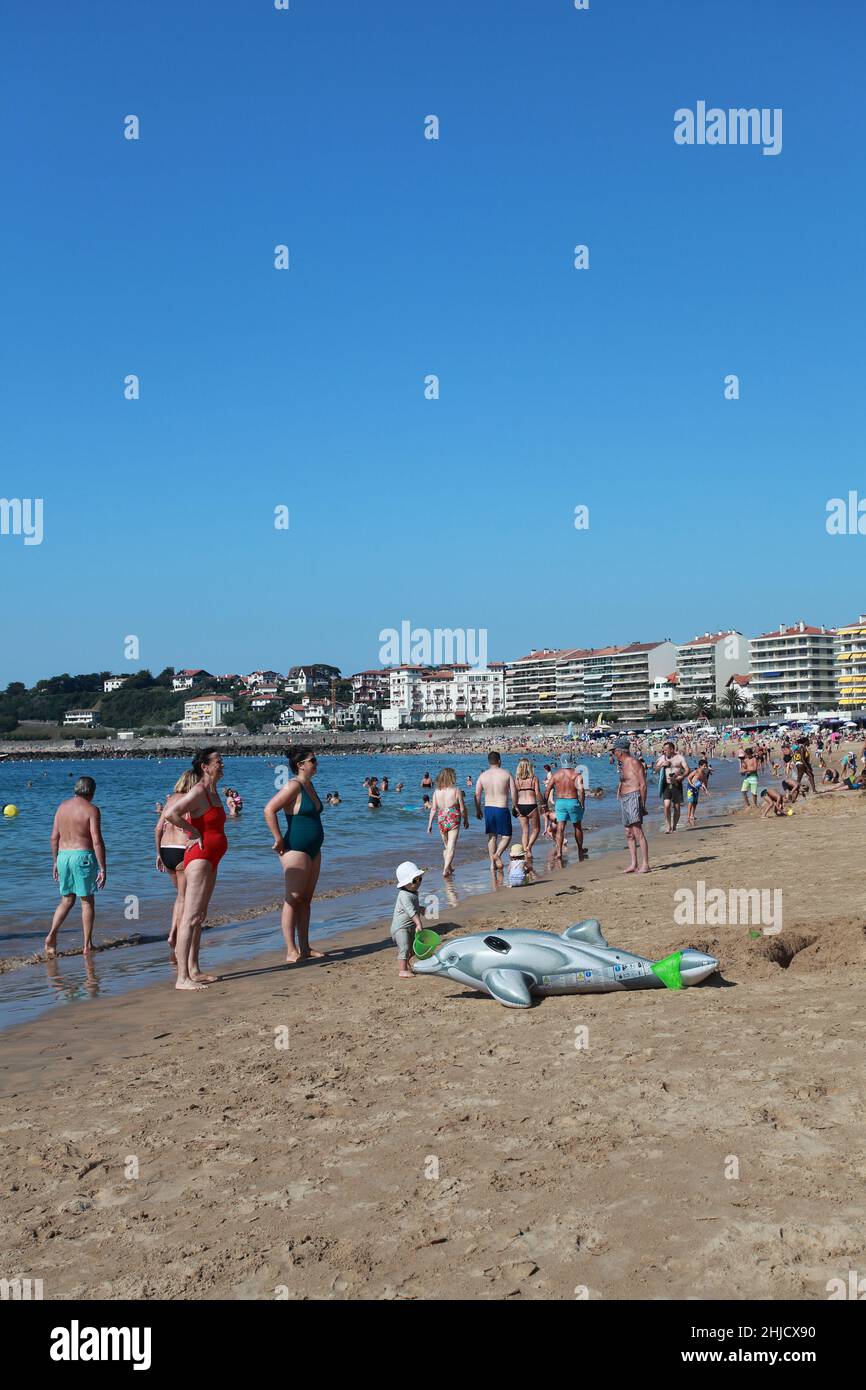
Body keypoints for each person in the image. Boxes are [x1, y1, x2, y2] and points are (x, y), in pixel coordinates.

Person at [161, 749, 228, 989]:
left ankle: (194, 969)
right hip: (199, 858)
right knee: (189, 917)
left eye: (221, 761)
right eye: (218, 762)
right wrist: (194, 832)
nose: (222, 765)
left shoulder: (214, 791)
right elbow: (171, 813)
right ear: (205, 766)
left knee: (199, 916)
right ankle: (182, 978)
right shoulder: (199, 791)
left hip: (213, 857)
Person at [264, 745, 326, 966]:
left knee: (306, 899)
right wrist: (278, 838)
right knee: (293, 899)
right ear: (300, 765)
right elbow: (269, 809)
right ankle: (291, 950)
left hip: (314, 849)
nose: (316, 763)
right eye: (313, 760)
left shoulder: (309, 785)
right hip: (295, 848)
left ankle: (306, 947)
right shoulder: (293, 786)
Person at [45, 776, 106, 958]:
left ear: (75, 790)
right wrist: (103, 867)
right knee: (86, 902)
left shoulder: (61, 807)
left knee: (66, 900)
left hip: (63, 856)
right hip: (82, 857)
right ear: (92, 793)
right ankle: (87, 945)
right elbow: (97, 841)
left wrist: (55, 861)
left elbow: (54, 837)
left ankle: (52, 935)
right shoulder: (92, 810)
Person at [154, 770, 197, 965]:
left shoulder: (171, 799)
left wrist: (158, 854)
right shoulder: (189, 800)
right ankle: (175, 934)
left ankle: (173, 933)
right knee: (185, 898)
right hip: (181, 849)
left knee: (179, 896)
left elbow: (157, 829)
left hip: (165, 849)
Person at [474, 751, 519, 870]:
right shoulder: (506, 774)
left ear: (489, 762)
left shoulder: (482, 776)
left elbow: (477, 795)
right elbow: (514, 792)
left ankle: (492, 864)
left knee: (492, 836)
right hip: (502, 808)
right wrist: (515, 806)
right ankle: (497, 854)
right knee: (507, 836)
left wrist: (478, 809)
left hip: (488, 808)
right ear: (499, 760)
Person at [613, 737, 650, 874]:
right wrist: (619, 792)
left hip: (634, 797)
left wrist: (643, 804)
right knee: (628, 833)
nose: (613, 754)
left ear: (619, 751)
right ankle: (634, 864)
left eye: (614, 752)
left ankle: (645, 864)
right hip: (625, 799)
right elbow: (624, 781)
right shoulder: (622, 764)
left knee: (637, 831)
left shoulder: (634, 762)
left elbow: (643, 784)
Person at [428, 767, 468, 877]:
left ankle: (449, 867)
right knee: (451, 846)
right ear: (451, 777)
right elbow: (462, 808)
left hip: (441, 818)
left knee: (447, 847)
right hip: (453, 817)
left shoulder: (436, 792)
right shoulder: (456, 790)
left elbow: (433, 809)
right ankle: (445, 869)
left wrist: (429, 824)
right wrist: (466, 819)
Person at [544, 762, 586, 861]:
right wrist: (582, 803)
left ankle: (559, 853)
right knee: (577, 826)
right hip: (573, 801)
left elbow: (547, 790)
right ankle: (580, 849)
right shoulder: (576, 774)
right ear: (570, 762)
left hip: (560, 802)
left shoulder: (556, 775)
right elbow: (582, 790)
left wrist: (544, 805)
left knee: (560, 828)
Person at [390, 861, 424, 979]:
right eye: (414, 881)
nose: (418, 883)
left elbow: (414, 907)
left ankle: (406, 963)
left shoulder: (413, 893)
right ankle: (402, 970)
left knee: (413, 949)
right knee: (404, 947)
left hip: (410, 926)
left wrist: (421, 908)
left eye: (419, 879)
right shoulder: (404, 895)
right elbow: (410, 910)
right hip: (400, 928)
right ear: (405, 884)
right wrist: (418, 922)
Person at [655, 741, 690, 832]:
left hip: (676, 784)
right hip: (666, 784)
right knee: (666, 805)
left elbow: (687, 770)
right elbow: (655, 769)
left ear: (672, 749)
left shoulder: (679, 758)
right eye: (663, 750)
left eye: (666, 750)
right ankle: (668, 825)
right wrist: (662, 765)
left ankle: (674, 826)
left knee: (677, 807)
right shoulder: (662, 758)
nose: (664, 751)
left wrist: (681, 777)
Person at [513, 758, 543, 864]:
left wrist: (514, 806)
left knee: (525, 831)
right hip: (531, 805)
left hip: (520, 806)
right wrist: (543, 803)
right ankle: (528, 848)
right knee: (536, 829)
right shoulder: (534, 778)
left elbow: (514, 795)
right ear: (529, 766)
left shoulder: (517, 780)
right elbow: (537, 793)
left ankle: (526, 852)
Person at [685, 759, 712, 827]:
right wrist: (691, 784)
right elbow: (688, 778)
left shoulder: (704, 774)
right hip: (690, 788)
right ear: (700, 766)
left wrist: (706, 790)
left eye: (706, 766)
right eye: (704, 766)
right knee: (690, 801)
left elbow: (702, 783)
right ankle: (688, 816)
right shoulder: (696, 771)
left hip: (696, 788)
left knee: (695, 802)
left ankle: (692, 815)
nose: (705, 767)